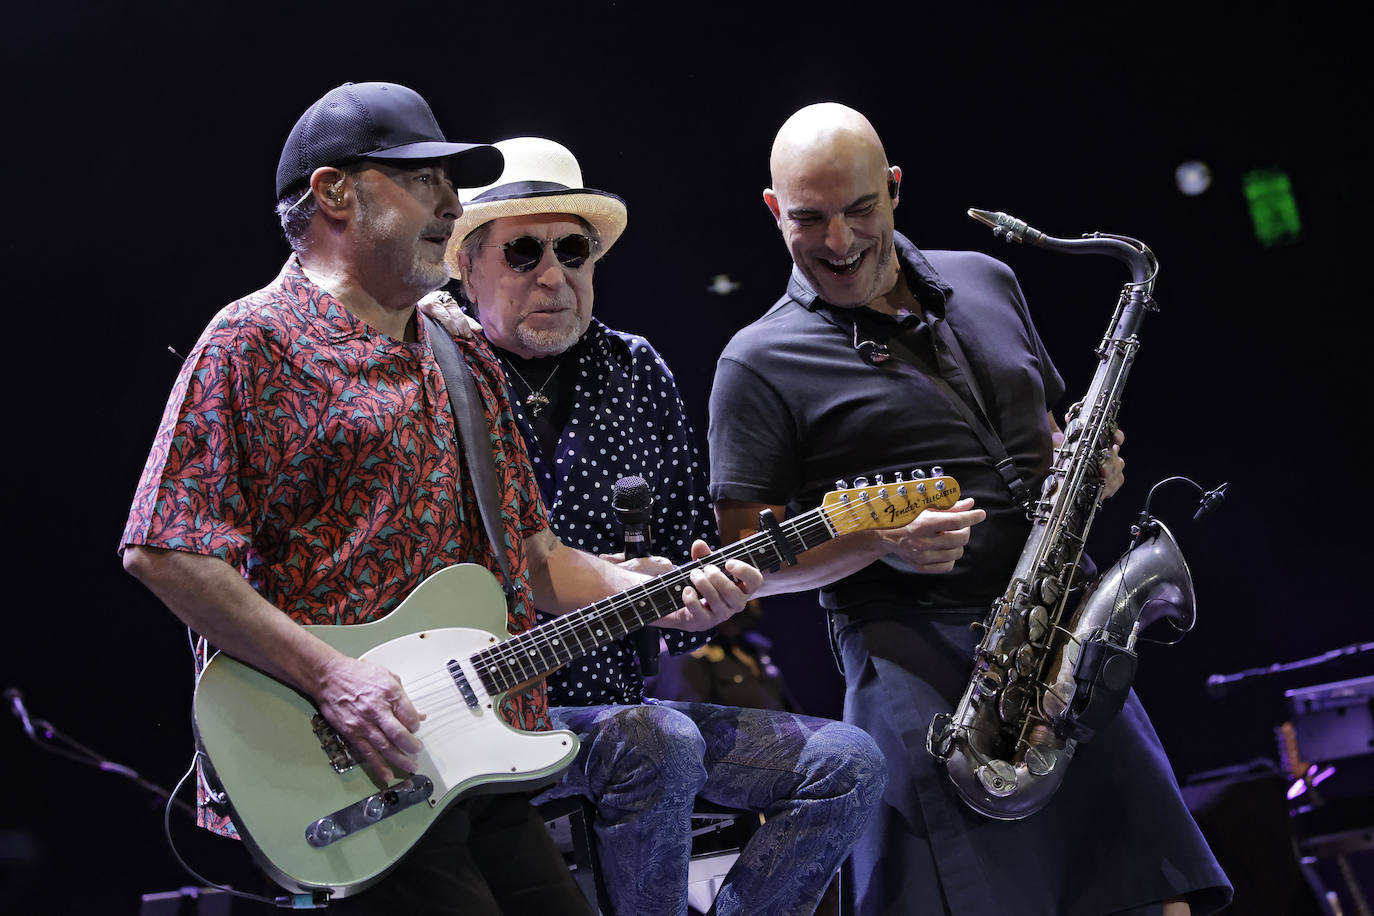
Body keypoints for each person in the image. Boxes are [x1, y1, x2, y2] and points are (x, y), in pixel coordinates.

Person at [119, 83, 761, 916]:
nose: (451, 205)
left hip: (470, 752)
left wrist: (659, 594)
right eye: (422, 180)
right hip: (349, 759)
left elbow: (534, 557)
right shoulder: (251, 341)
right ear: (335, 192)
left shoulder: (459, 354)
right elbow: (163, 546)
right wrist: (334, 679)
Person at [707, 102, 1233, 916]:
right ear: (775, 211)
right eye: (809, 220)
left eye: (860, 211)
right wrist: (875, 544)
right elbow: (745, 557)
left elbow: (1053, 435)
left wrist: (1094, 467)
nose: (839, 243)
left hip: (1061, 640)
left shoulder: (990, 279)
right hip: (917, 672)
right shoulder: (757, 359)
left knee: (1151, 898)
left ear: (895, 188)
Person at [421, 136, 887, 916]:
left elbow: (675, 582)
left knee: (851, 762)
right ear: (466, 266)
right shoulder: (432, 378)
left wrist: (703, 604)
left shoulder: (639, 372)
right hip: (480, 723)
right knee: (658, 742)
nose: (554, 275)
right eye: (525, 252)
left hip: (622, 713)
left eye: (574, 251)